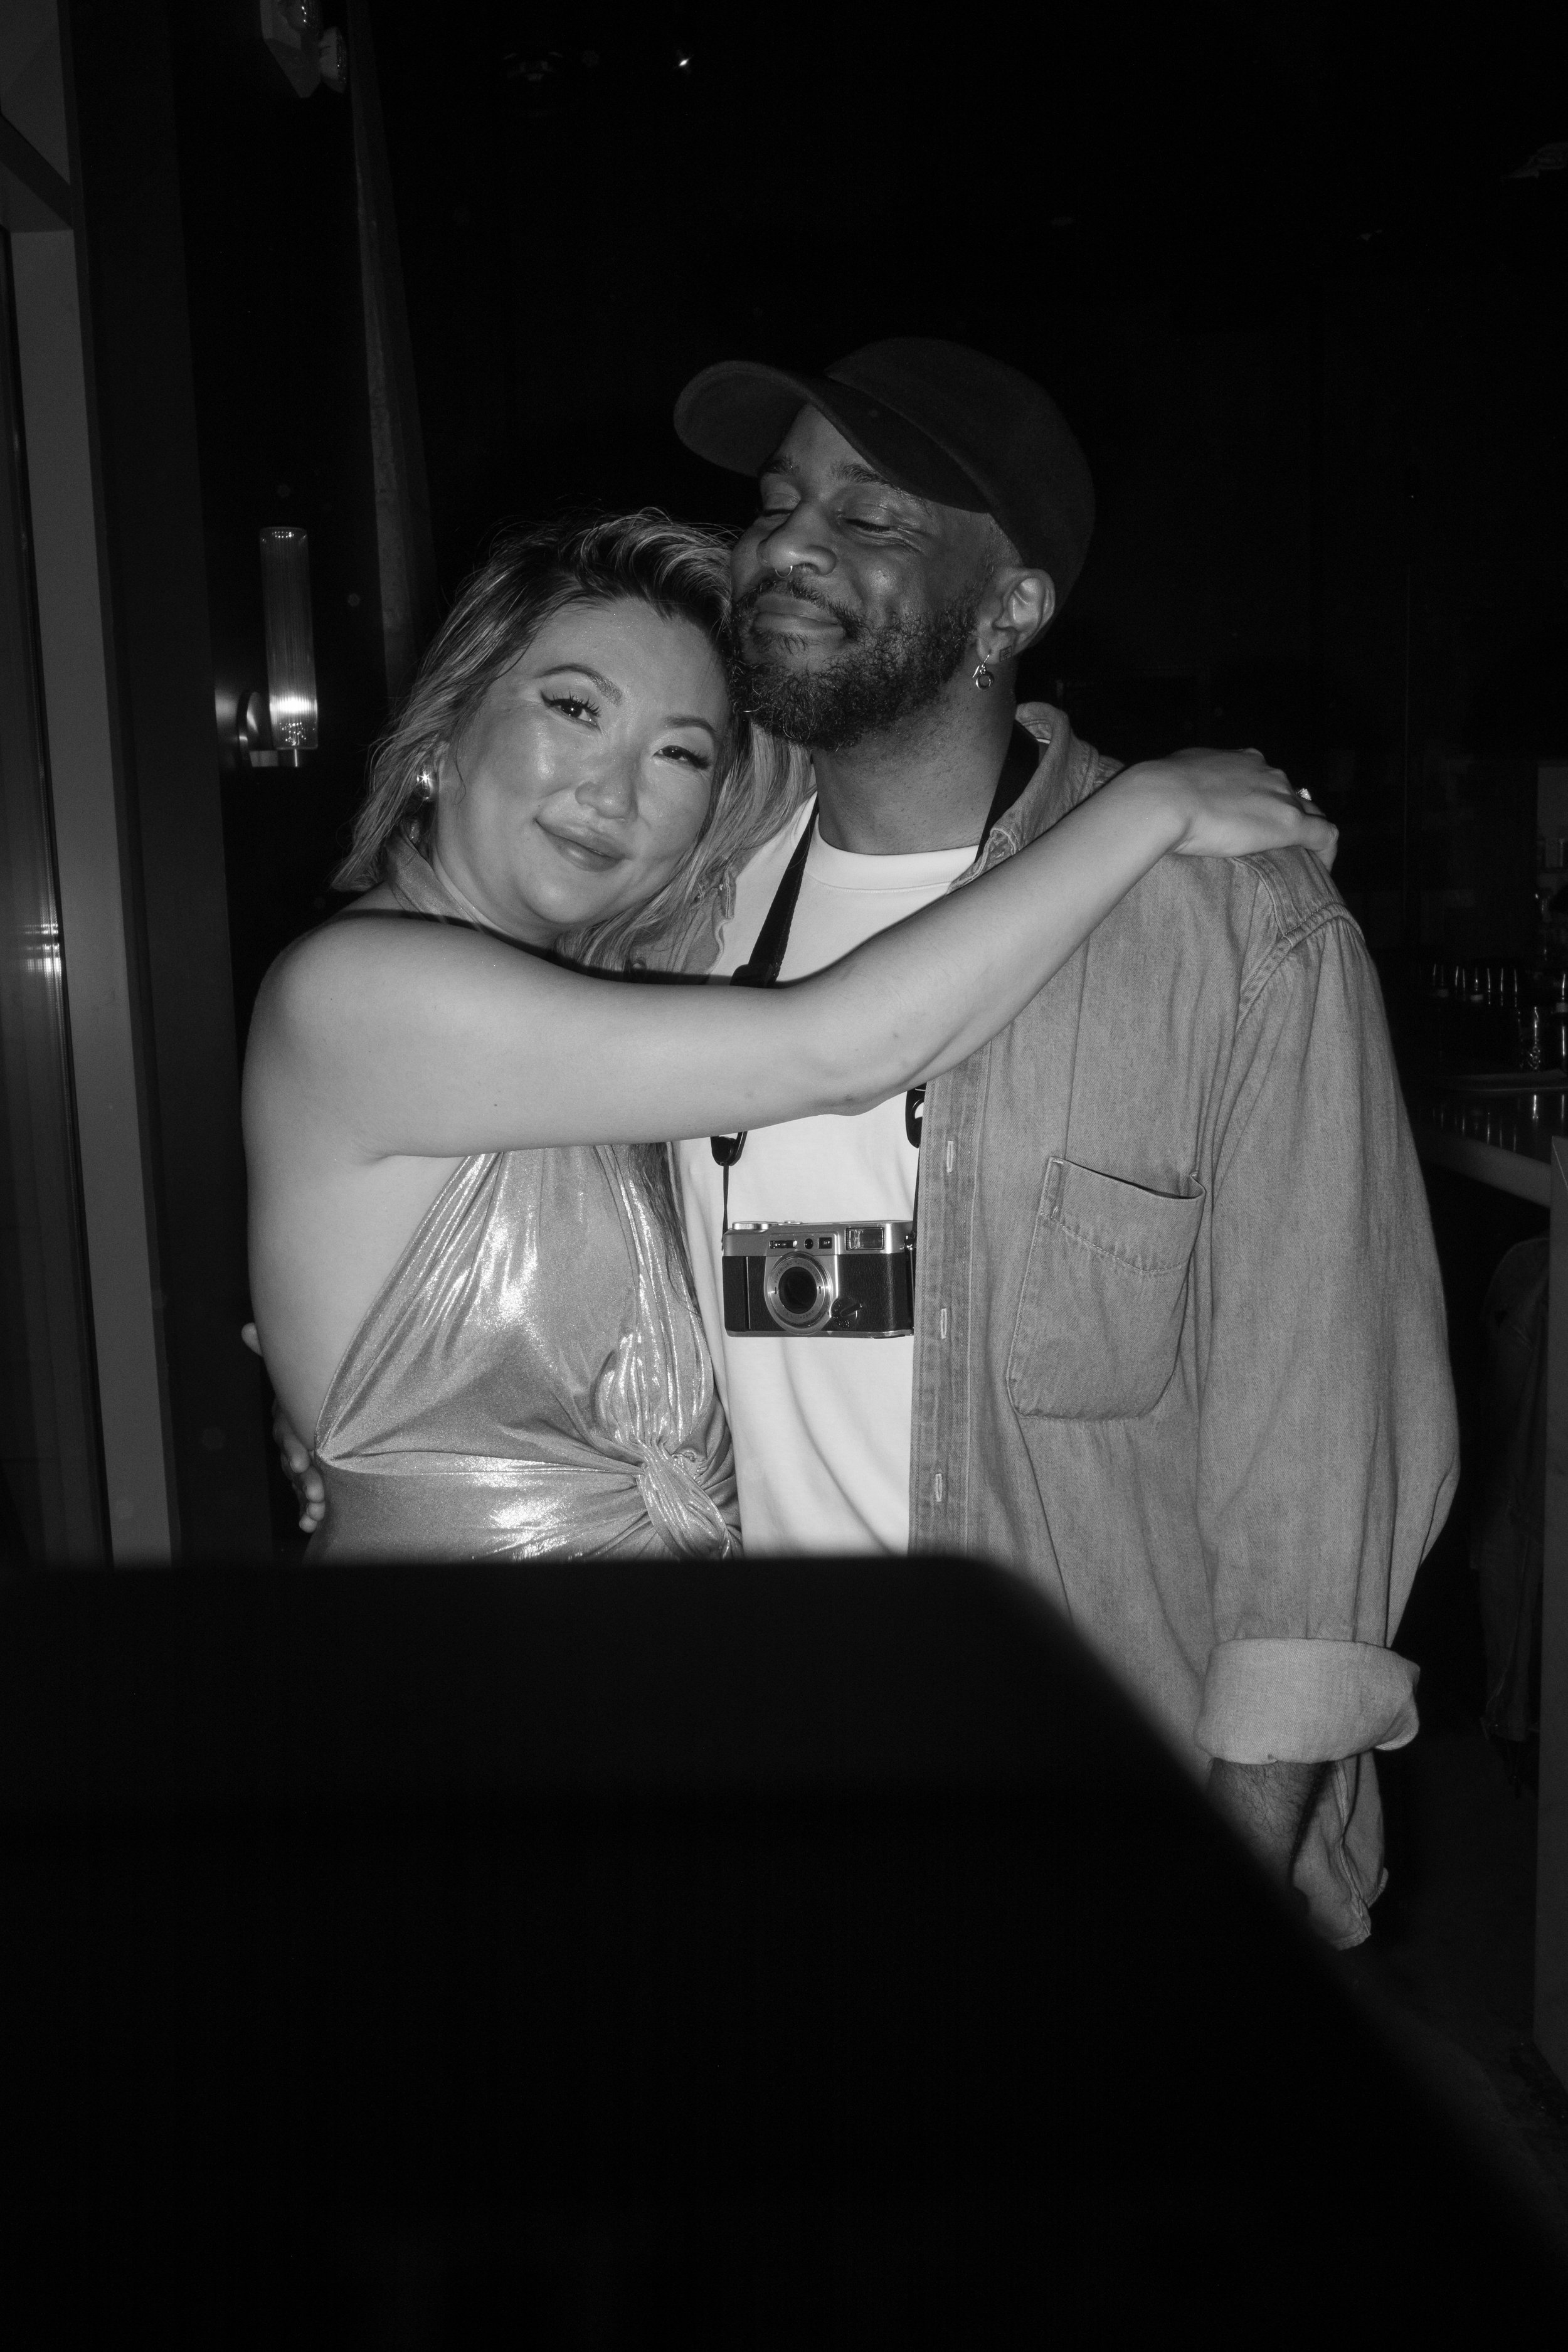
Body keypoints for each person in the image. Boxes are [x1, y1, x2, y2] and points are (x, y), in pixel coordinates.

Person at [656, 337, 1458, 1944]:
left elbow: (1321, 1461)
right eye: (775, 503)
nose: (787, 544)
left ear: (1007, 609)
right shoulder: (675, 905)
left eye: (868, 516)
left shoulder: (1230, 932)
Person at [245, 509, 1329, 1565]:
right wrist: (1152, 809)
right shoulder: (358, 993)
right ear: (445, 726)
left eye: (679, 753)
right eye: (574, 708)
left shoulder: (628, 985)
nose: (612, 793)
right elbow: (839, 1049)